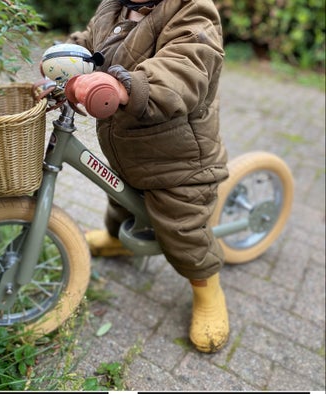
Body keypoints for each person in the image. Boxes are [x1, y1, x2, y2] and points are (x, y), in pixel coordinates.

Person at [66, 0, 229, 353]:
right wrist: (66, 58)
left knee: (182, 227)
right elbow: (91, 43)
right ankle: (117, 240)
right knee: (120, 198)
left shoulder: (192, 11)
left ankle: (207, 289)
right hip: (128, 150)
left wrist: (129, 85)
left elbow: (186, 66)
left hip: (179, 159)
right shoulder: (113, 7)